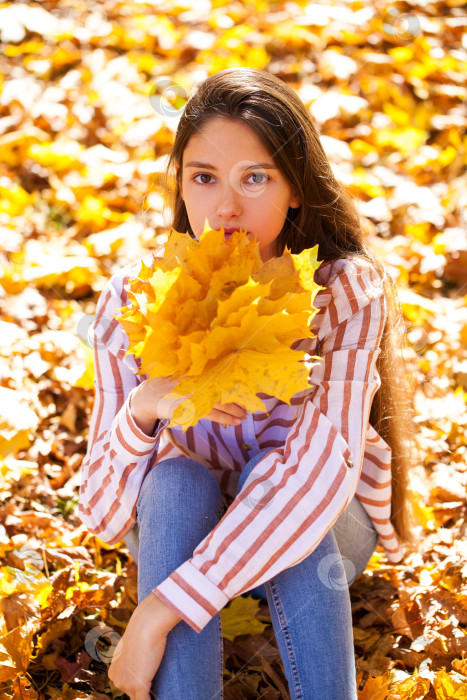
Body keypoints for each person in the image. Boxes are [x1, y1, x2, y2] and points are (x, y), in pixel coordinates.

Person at [78, 67, 416, 700]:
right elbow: (99, 513)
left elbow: (317, 480)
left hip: (318, 543)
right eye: (204, 178)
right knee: (175, 480)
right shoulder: (136, 298)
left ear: (295, 190)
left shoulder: (343, 292)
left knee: (282, 473)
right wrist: (145, 410)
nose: (226, 206)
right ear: (181, 185)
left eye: (254, 177)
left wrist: (157, 611)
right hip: (185, 537)